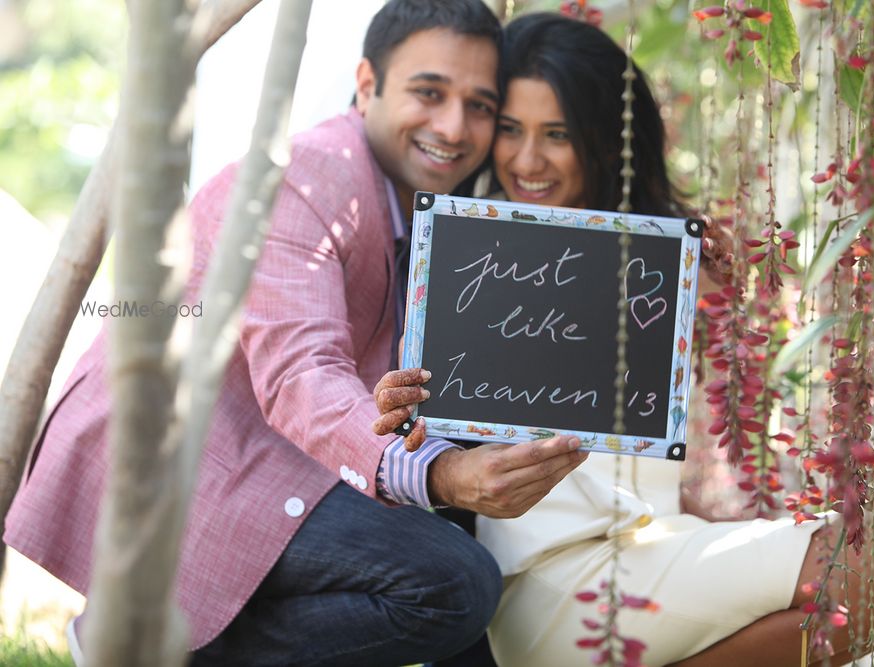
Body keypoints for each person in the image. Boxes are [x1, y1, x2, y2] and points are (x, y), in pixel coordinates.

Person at [372, 12, 874, 667]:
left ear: (604, 139)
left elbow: (758, 423)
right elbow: (396, 452)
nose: (527, 159)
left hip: (659, 547)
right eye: (511, 130)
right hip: (546, 581)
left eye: (558, 134)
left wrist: (725, 301)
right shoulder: (458, 257)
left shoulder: (669, 258)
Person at [4, 3, 591, 665]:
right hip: (191, 456)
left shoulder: (429, 199)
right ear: (367, 83)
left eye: (480, 106)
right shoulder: (310, 177)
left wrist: (681, 271)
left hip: (278, 451)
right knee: (453, 582)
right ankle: (161, 651)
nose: (454, 127)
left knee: (454, 521)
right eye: (429, 92)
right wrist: (447, 473)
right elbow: (301, 374)